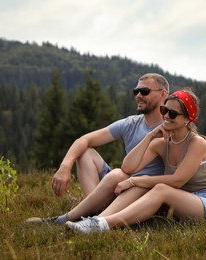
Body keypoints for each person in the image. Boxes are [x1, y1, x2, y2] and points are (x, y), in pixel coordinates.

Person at [64, 88, 206, 233]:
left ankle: (101, 224)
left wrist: (136, 181)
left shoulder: (197, 143)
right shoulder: (161, 144)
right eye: (164, 110)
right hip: (181, 202)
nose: (166, 116)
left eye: (173, 114)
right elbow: (128, 167)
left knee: (159, 188)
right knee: (152, 187)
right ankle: (96, 221)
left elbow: (177, 181)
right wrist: (149, 137)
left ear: (187, 119)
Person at [35, 73, 170, 225]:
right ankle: (92, 213)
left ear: (163, 94)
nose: (138, 95)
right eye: (135, 92)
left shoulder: (171, 128)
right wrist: (65, 166)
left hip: (144, 191)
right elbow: (84, 139)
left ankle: (67, 219)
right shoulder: (130, 123)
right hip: (120, 186)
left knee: (118, 174)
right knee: (85, 152)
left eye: (144, 91)